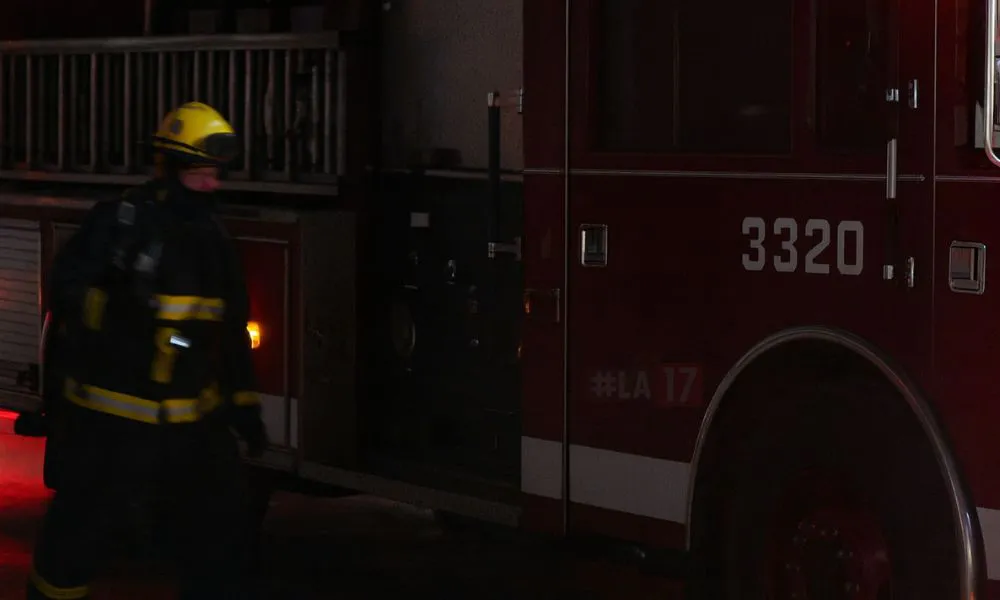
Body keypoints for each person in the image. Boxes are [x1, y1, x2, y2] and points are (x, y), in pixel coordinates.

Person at [26, 102, 269, 600]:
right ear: (170, 167)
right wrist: (115, 313)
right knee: (75, 543)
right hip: (112, 426)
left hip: (190, 432)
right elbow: (67, 289)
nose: (211, 185)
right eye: (200, 173)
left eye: (216, 174)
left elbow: (230, 332)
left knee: (219, 548)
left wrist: (244, 408)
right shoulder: (119, 224)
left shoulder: (213, 242)